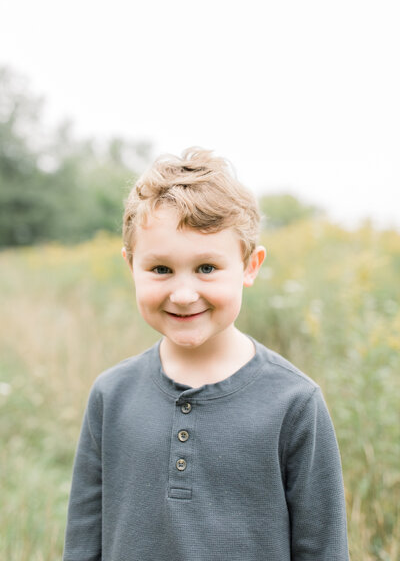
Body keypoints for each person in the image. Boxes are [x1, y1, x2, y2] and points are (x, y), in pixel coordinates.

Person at [63, 147, 349, 560]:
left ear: (250, 266)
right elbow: (83, 539)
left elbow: (323, 548)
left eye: (207, 268)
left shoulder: (294, 403)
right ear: (131, 267)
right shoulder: (111, 394)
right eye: (160, 269)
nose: (182, 294)